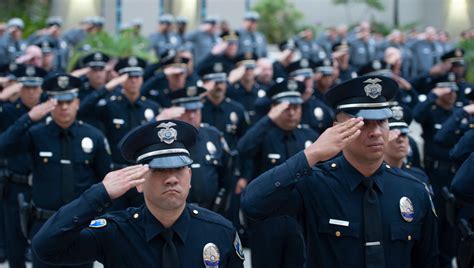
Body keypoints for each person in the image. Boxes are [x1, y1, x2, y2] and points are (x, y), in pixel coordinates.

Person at [241, 75, 438, 267]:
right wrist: (312, 153)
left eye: (382, 121)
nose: (376, 132)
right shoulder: (315, 183)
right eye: (364, 123)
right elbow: (253, 203)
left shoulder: (413, 190)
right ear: (337, 129)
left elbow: (427, 260)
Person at [31, 120, 245, 267]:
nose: (171, 178)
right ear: (139, 181)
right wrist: (99, 194)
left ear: (189, 176)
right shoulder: (116, 232)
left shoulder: (219, 231)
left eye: (179, 169)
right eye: (160, 169)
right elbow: (45, 248)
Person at [0, 73, 112, 268]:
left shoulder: (93, 136)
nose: (64, 107)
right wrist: (28, 118)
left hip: (80, 226)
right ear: (51, 104)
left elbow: (105, 183)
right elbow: (4, 146)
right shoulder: (37, 133)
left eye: (69, 101)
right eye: (58, 102)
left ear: (77, 102)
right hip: (44, 224)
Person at [237, 80, 318, 268]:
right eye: (286, 108)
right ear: (274, 108)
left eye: (296, 107)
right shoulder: (264, 134)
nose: (291, 112)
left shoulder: (309, 137)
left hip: (299, 220)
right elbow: (243, 149)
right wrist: (268, 119)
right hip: (267, 220)